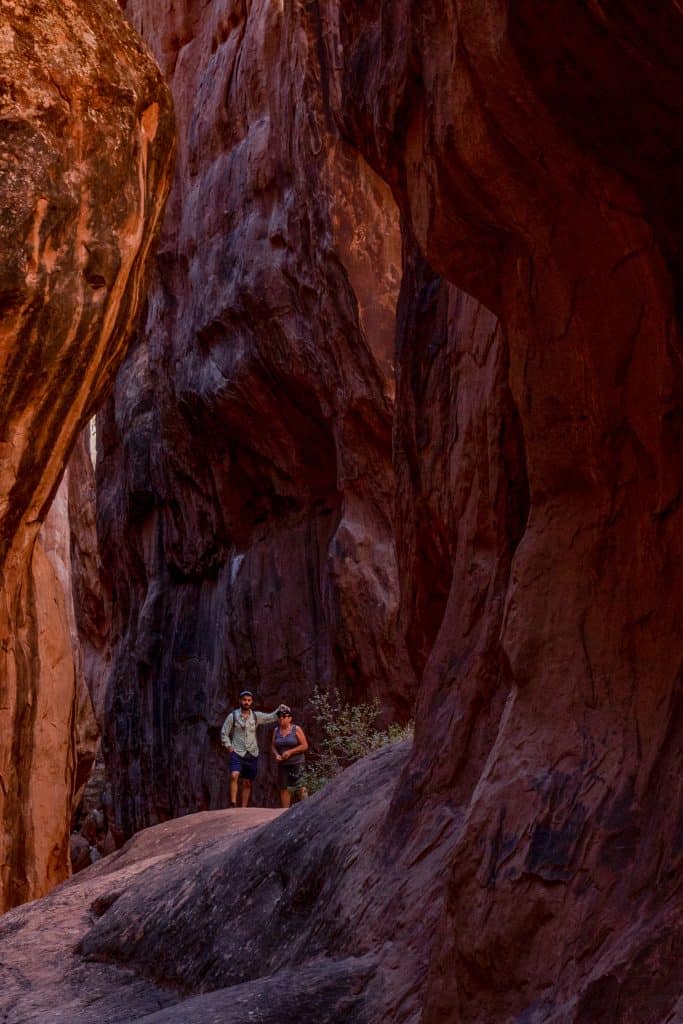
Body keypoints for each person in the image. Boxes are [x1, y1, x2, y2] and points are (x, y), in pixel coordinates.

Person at [221, 690, 285, 807]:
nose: (246, 702)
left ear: (251, 702)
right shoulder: (233, 716)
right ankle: (233, 803)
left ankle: (243, 808)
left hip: (252, 753)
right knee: (234, 775)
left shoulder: (256, 716)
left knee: (247, 782)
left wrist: (279, 709)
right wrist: (228, 746)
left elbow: (270, 717)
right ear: (240, 701)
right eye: (244, 700)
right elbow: (224, 732)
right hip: (237, 751)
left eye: (249, 700)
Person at [271, 705, 309, 808]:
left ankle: (306, 807)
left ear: (290, 718)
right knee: (284, 787)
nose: (281, 719)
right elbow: (273, 746)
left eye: (284, 716)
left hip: (297, 762)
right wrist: (276, 755)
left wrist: (290, 752)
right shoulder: (276, 730)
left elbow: (304, 745)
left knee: (300, 786)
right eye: (279, 717)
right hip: (283, 764)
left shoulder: (296, 729)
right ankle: (284, 811)